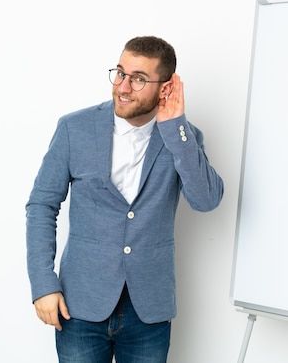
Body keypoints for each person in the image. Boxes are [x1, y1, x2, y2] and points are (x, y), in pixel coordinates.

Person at [26, 36, 224, 362]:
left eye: (138, 78)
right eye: (120, 73)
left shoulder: (184, 136)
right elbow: (42, 205)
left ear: (165, 87)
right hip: (80, 304)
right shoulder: (75, 128)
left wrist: (175, 128)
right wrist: (43, 283)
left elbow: (206, 201)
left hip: (149, 310)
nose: (123, 86)